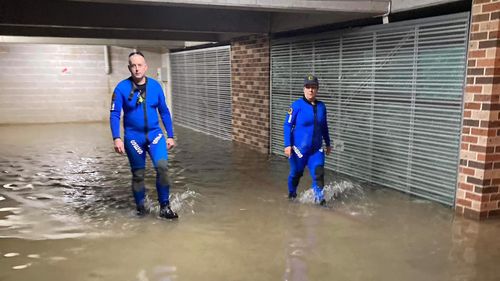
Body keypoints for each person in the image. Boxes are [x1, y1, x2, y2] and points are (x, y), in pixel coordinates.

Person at [110, 51, 178, 219]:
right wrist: (116, 137)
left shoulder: (155, 86)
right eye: (133, 65)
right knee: (138, 174)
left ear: (146, 67)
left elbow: (164, 111)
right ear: (129, 68)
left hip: (155, 135)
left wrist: (170, 135)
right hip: (133, 138)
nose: (137, 69)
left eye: (140, 65)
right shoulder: (121, 88)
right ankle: (141, 207)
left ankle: (165, 206)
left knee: (162, 168)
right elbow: (115, 114)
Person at [283, 74, 331, 205]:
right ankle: (291, 196)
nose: (311, 90)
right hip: (299, 150)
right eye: (308, 87)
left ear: (317, 89)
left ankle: (320, 202)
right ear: (304, 89)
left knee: (319, 174)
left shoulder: (322, 106)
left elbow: (324, 126)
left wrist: (328, 143)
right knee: (296, 174)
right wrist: (287, 145)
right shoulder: (296, 106)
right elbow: (287, 125)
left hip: (316, 150)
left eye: (313, 87)